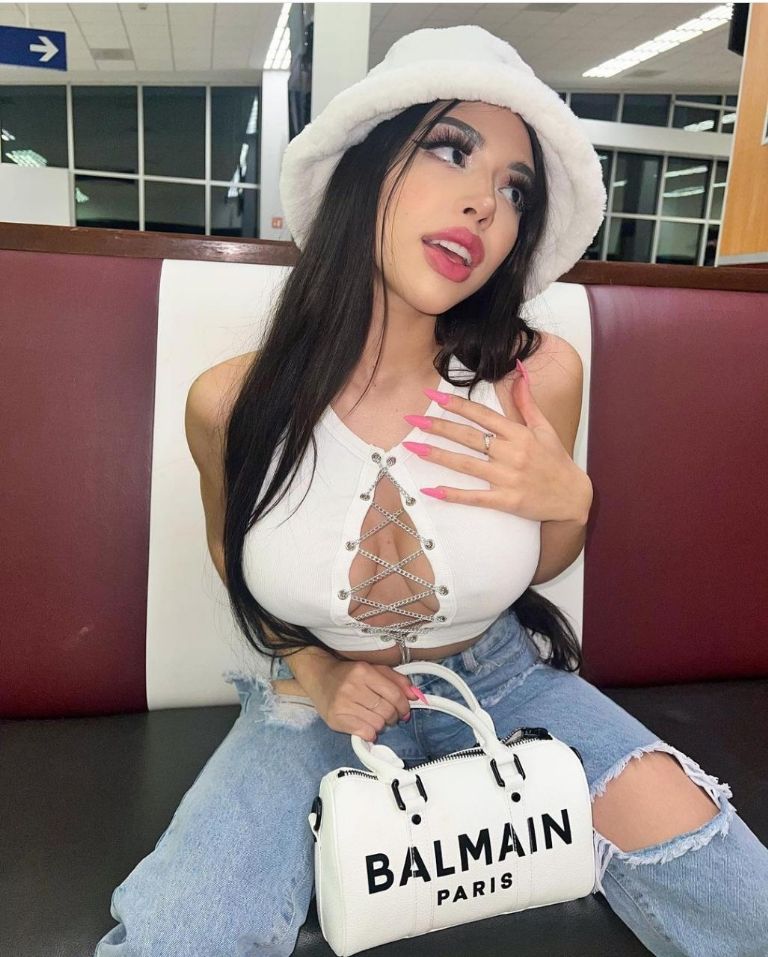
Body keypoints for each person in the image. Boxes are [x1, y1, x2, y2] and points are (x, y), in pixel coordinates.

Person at [94, 25, 768, 957]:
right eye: (452, 150)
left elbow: (549, 557)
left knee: (736, 888)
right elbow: (230, 555)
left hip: (504, 678)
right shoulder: (230, 404)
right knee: (178, 934)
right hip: (315, 697)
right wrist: (315, 669)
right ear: (366, 167)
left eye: (514, 189)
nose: (485, 203)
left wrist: (573, 502)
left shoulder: (538, 376)